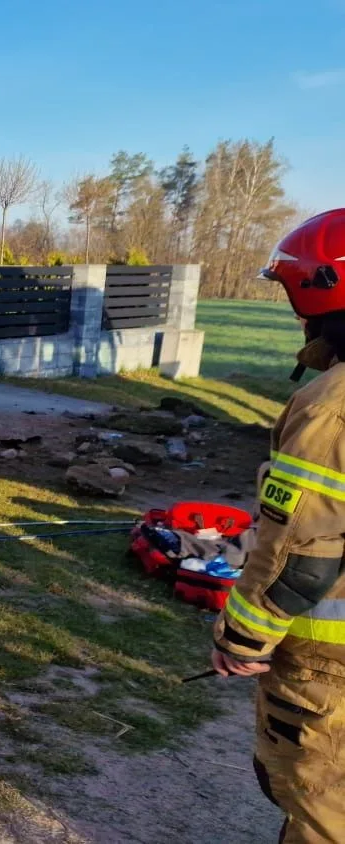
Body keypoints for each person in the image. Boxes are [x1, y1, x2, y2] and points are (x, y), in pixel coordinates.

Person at [211, 208, 345, 843]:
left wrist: (242, 638)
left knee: (323, 813)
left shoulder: (331, 409)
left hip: (330, 669)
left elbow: (302, 552)